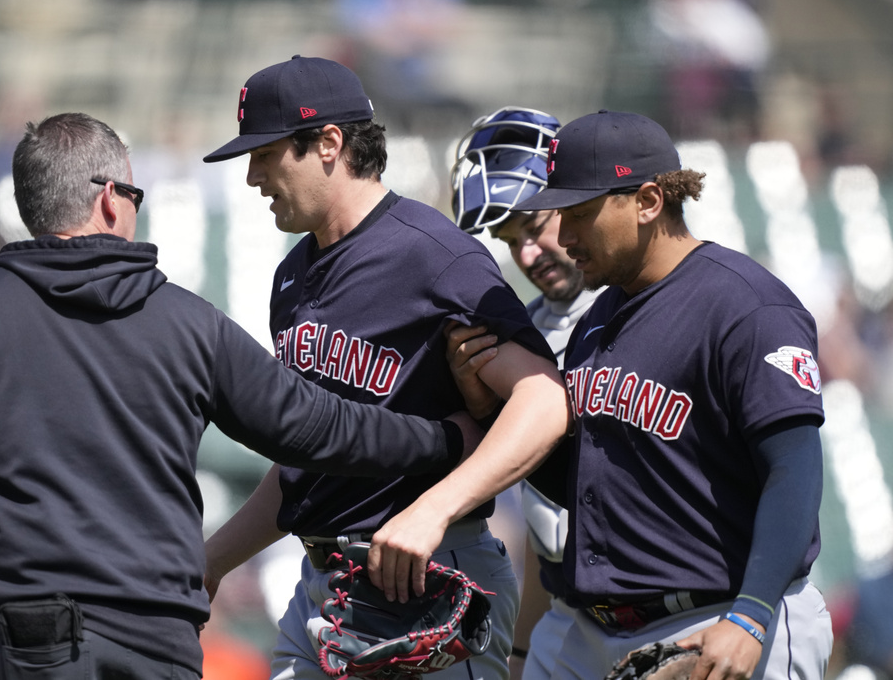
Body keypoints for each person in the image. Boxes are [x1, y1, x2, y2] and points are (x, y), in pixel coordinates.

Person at [0, 112, 479, 680]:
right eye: (135, 196)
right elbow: (317, 429)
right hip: (158, 638)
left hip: (30, 636)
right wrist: (447, 438)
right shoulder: (188, 323)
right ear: (111, 199)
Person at [200, 56, 571, 680]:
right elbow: (302, 466)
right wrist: (213, 560)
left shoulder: (434, 255)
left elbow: (544, 400)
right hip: (320, 588)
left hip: (429, 585)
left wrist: (434, 509)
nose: (253, 176)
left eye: (265, 154)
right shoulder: (292, 276)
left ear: (328, 143)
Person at [499, 109, 833, 679]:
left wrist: (750, 616)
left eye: (580, 214)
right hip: (595, 628)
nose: (564, 236)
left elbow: (795, 470)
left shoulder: (746, 307)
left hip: (720, 619)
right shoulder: (598, 319)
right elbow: (585, 483)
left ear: (649, 201)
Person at [447, 106, 602, 679]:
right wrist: (521, 652)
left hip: (683, 602)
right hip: (573, 613)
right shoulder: (524, 333)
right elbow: (549, 529)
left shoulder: (652, 308)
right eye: (510, 241)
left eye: (534, 228)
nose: (527, 256)